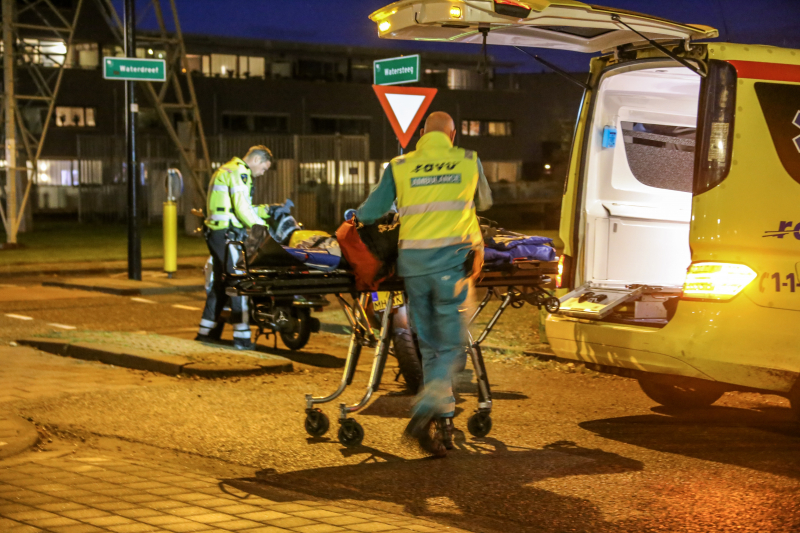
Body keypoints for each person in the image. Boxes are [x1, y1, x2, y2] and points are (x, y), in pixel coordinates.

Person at [356, 111, 492, 457]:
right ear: (454, 133)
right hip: (453, 265)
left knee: (430, 345)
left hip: (413, 267)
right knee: (451, 345)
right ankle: (425, 407)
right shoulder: (467, 160)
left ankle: (443, 419)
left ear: (420, 133)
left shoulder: (399, 165)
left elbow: (370, 213)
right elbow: (485, 203)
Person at [195, 145, 273, 350]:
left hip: (218, 233)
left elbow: (239, 206)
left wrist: (268, 210)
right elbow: (242, 208)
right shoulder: (240, 172)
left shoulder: (228, 169)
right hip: (227, 235)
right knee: (240, 283)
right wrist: (263, 230)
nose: (262, 173)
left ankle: (205, 333)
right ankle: (242, 339)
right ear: (256, 160)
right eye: (264, 168)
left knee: (221, 285)